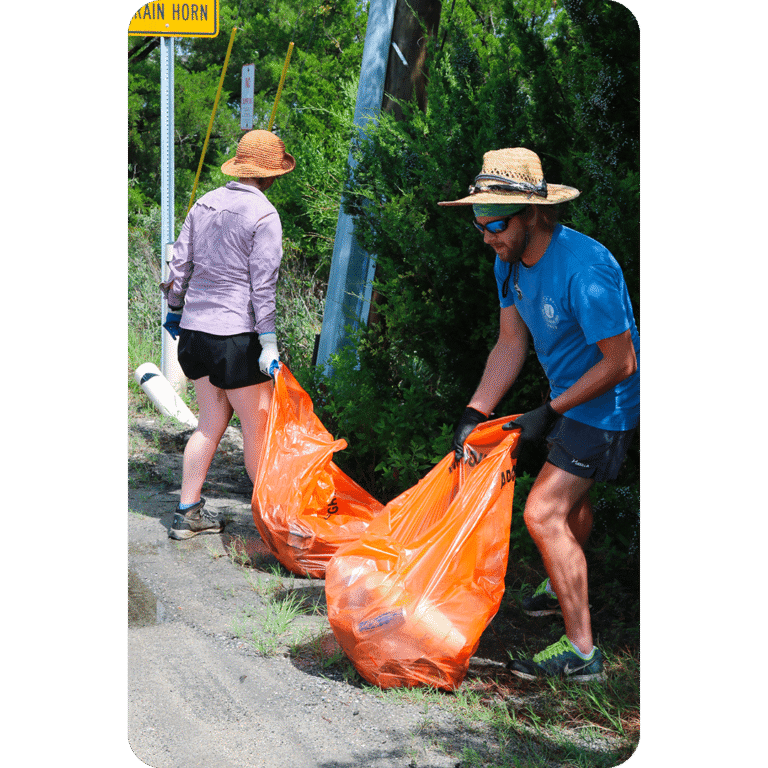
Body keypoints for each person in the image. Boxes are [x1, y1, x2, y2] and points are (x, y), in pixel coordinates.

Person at [439, 148, 639, 682]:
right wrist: (475, 409)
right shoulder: (508, 262)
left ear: (533, 214)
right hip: (568, 399)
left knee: (542, 513)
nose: (487, 237)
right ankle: (562, 579)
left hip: (606, 403)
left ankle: (582, 651)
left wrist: (548, 412)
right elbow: (510, 344)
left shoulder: (585, 268)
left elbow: (621, 362)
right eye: (479, 224)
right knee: (569, 507)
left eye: (496, 224)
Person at [159, 129, 295, 540]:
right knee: (258, 429)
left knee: (209, 423)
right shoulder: (264, 215)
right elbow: (262, 284)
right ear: (270, 176)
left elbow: (178, 264)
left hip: (195, 334)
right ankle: (275, 527)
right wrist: (267, 342)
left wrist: (176, 310)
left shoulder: (204, 203)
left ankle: (187, 512)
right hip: (236, 337)